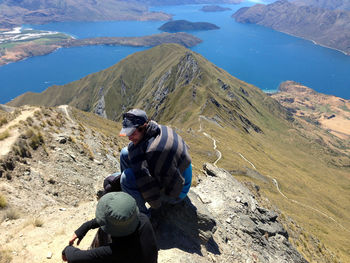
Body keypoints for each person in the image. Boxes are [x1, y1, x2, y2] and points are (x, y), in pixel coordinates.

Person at [105, 109, 192, 217]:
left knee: (126, 179)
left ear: (143, 127)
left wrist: (154, 203)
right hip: (177, 170)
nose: (129, 137)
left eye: (132, 132)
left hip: (178, 191)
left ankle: (143, 216)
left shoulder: (154, 151)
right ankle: (128, 193)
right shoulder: (156, 128)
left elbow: (151, 191)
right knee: (124, 153)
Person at [62, 192, 158, 263]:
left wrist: (66, 250)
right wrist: (85, 227)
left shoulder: (116, 250)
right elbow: (112, 219)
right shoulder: (143, 219)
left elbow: (75, 257)